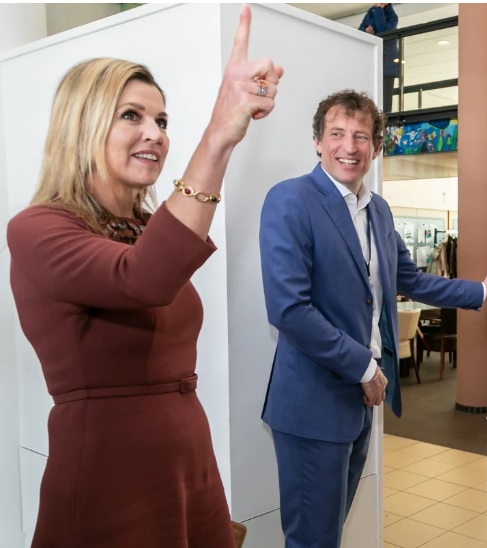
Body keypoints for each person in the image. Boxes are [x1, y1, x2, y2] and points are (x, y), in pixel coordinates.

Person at [6, 7, 281, 547]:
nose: (154, 133)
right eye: (131, 115)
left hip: (186, 464)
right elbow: (143, 280)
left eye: (162, 121)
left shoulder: (147, 226)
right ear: (81, 125)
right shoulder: (38, 228)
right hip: (110, 473)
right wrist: (219, 136)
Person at [258, 89, 487, 548]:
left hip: (361, 404)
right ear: (317, 142)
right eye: (338, 134)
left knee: (330, 531)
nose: (349, 146)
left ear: (376, 147)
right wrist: (366, 367)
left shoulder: (378, 210)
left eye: (362, 136)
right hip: (313, 403)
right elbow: (289, 309)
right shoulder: (291, 200)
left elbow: (411, 279)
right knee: (311, 539)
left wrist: (483, 290)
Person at [358, 3, 399, 112]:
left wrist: (378, 9)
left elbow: (383, 31)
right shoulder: (371, 13)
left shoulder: (392, 16)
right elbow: (360, 32)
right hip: (372, 63)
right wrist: (367, 32)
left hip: (387, 66)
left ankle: (383, 124)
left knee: (385, 102)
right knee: (367, 97)